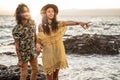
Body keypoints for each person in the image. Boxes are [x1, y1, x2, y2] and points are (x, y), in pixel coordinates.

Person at [37, 4, 89, 80]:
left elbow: (69, 22)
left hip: (58, 51)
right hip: (47, 52)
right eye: (49, 11)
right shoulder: (41, 26)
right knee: (49, 77)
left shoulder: (58, 23)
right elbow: (40, 38)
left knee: (55, 77)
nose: (51, 13)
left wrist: (80, 22)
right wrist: (38, 45)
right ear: (45, 13)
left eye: (52, 11)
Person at [12, 3, 40, 80]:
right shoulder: (16, 29)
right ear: (19, 14)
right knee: (24, 74)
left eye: (27, 11)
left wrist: (37, 45)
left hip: (32, 51)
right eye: (24, 12)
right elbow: (17, 46)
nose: (26, 13)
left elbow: (35, 36)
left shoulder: (32, 23)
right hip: (23, 53)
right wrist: (20, 60)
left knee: (36, 70)